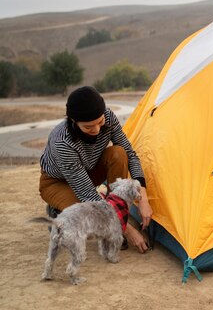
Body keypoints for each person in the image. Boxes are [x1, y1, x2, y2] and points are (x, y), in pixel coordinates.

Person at [39, 86, 152, 253]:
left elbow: (130, 154)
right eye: (89, 127)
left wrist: (143, 199)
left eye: (100, 122)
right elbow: (87, 195)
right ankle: (58, 211)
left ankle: (113, 213)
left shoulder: (108, 117)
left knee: (119, 153)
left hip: (90, 170)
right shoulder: (62, 142)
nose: (97, 130)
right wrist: (127, 230)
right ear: (73, 121)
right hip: (58, 182)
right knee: (86, 215)